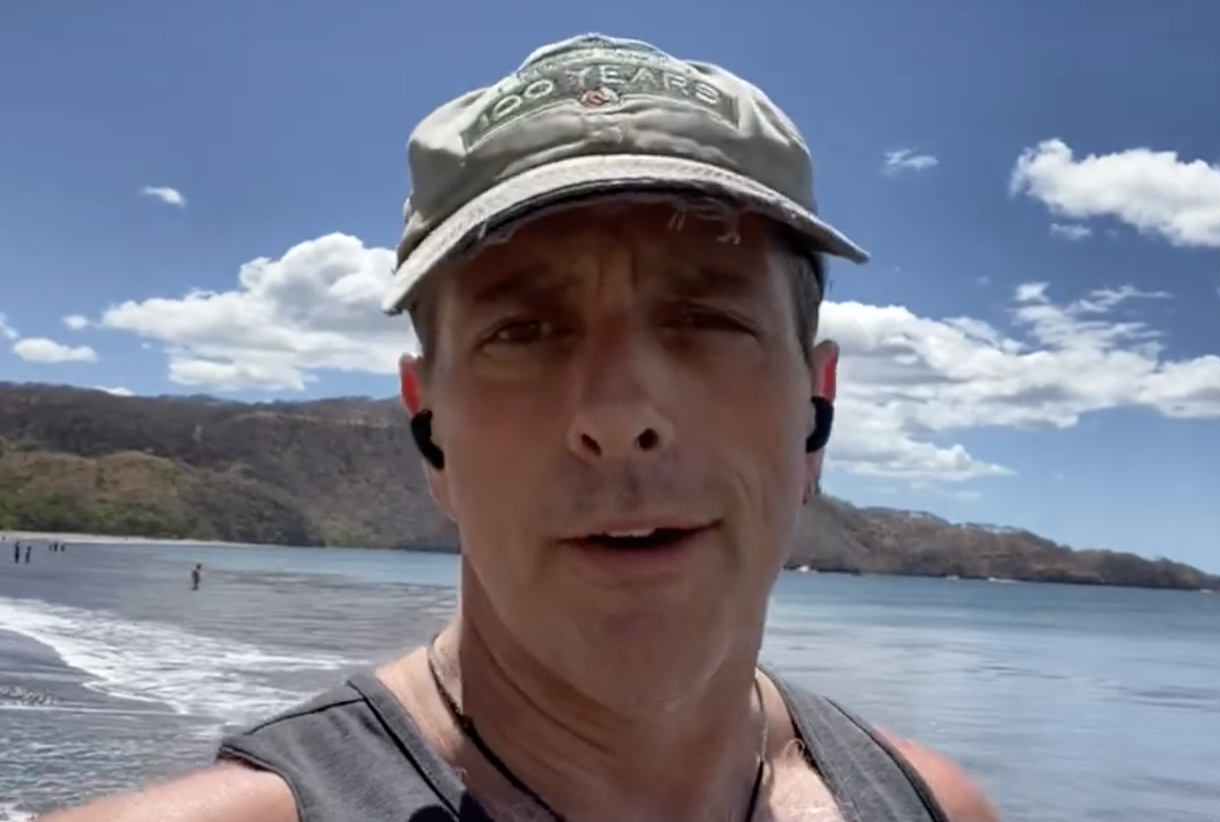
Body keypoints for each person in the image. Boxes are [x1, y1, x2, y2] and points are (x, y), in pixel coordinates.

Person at [41, 34, 999, 822]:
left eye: (707, 321)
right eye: (524, 332)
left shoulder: (929, 808)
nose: (619, 418)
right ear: (430, 429)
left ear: (815, 413)